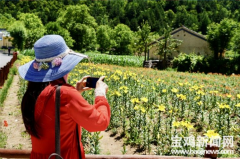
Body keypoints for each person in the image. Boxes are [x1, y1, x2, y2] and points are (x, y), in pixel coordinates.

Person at [18, 35, 110, 159]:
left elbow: (55, 116)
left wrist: (75, 93)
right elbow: (100, 122)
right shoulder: (65, 95)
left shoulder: (31, 93)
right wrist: (100, 94)